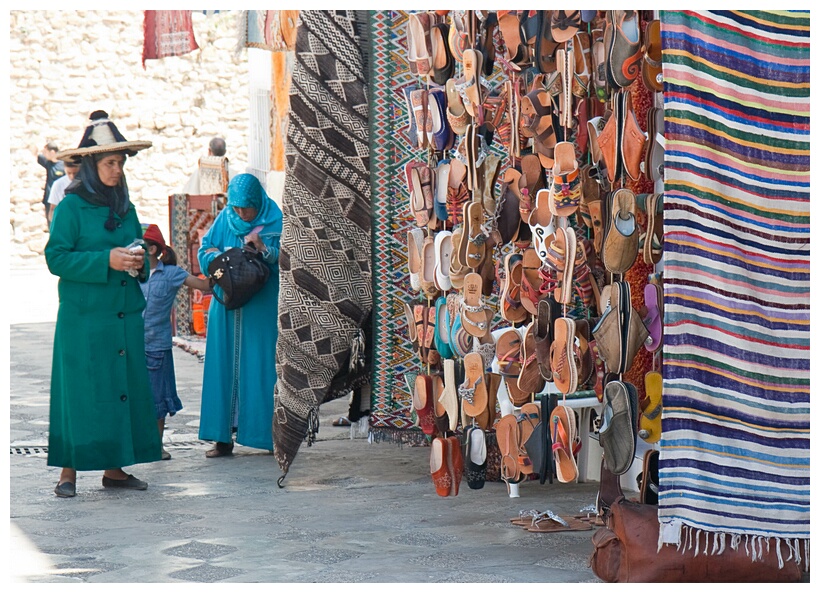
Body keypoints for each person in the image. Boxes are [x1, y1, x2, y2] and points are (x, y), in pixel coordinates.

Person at [44, 110, 161, 497]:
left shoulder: (124, 206)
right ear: (92, 165)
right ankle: (68, 472)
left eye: (120, 163)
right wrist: (105, 260)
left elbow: (137, 243)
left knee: (118, 389)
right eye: (110, 163)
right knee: (80, 391)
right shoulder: (71, 208)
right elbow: (56, 258)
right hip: (83, 318)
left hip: (122, 315)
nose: (116, 170)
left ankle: (114, 470)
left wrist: (139, 258)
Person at [197, 173, 282, 458]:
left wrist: (264, 249)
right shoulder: (225, 218)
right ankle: (222, 438)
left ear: (258, 201)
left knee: (259, 367)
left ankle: (265, 435)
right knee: (223, 367)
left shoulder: (275, 220)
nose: (241, 213)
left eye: (246, 207)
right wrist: (225, 257)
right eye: (236, 207)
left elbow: (289, 259)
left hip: (261, 307)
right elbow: (204, 251)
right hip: (226, 307)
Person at [140, 224, 211, 460]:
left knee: (157, 400)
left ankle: (156, 446)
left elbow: (202, 285)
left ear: (151, 249)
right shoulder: (128, 274)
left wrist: (223, 269)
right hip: (129, 345)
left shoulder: (171, 274)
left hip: (156, 347)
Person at [37, 141, 66, 226]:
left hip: (61, 201)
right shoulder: (48, 163)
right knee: (51, 225)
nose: (44, 154)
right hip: (49, 200)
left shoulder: (64, 165)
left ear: (52, 152)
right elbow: (34, 153)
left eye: (45, 152)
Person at [46, 155, 81, 225]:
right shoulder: (58, 184)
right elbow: (52, 209)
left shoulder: (86, 182)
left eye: (75, 173)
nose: (72, 176)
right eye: (69, 173)